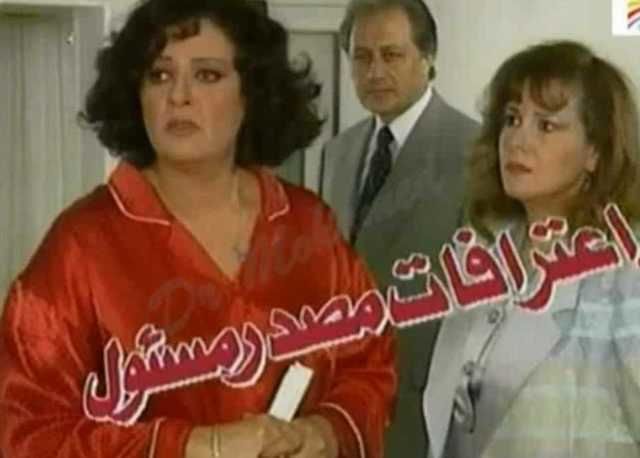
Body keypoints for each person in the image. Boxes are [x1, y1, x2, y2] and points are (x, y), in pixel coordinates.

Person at [0, 1, 396, 457]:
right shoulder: (81, 245)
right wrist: (195, 446)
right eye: (159, 75)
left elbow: (370, 363)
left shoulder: (308, 223)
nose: (179, 96)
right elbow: (25, 430)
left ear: (252, 92)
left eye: (207, 75)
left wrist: (326, 433)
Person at [424, 40, 640, 458]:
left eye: (546, 125)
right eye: (512, 119)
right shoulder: (480, 252)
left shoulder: (623, 272)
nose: (517, 141)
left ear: (594, 152)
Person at [320, 0, 477, 456]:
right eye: (362, 57)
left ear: (428, 58)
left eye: (391, 55)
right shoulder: (338, 152)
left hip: (426, 411)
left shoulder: (475, 151)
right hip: (342, 404)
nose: (375, 72)